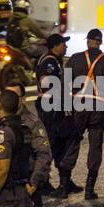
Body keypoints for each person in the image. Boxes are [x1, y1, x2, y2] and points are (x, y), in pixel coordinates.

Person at [60, 28, 104, 199]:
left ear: (88, 41)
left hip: (78, 106)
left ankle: (64, 184)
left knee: (72, 142)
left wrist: (65, 105)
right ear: (100, 42)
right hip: (98, 109)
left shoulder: (76, 59)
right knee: (95, 147)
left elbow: (64, 82)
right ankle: (89, 188)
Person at [36, 33, 70, 193]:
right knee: (51, 143)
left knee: (59, 143)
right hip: (49, 107)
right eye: (63, 44)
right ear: (55, 46)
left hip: (52, 105)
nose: (66, 47)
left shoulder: (54, 60)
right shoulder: (49, 61)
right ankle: (44, 182)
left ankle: (65, 180)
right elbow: (46, 82)